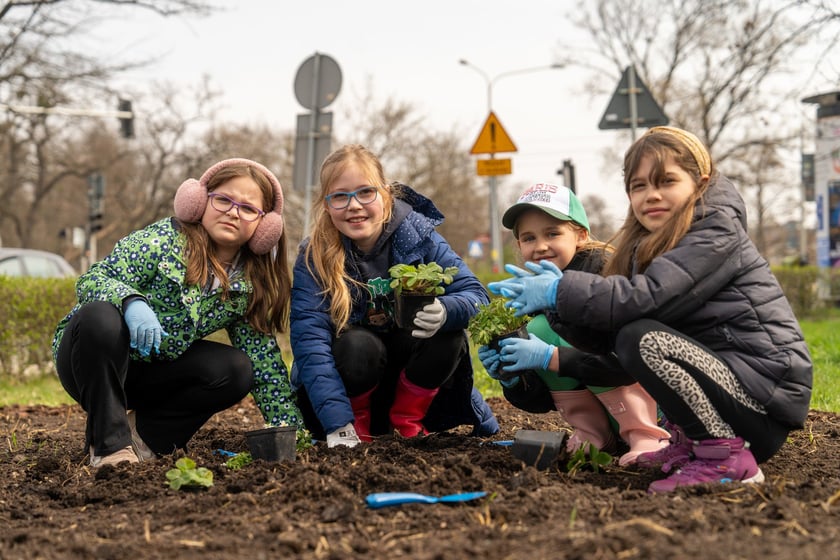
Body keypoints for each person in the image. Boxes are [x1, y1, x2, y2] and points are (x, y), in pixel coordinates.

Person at [489, 127, 812, 492]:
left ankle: (724, 457)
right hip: (735, 397)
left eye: (666, 181)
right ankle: (691, 444)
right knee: (632, 337)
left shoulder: (714, 228)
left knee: (642, 338)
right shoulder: (647, 244)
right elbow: (610, 346)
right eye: (638, 185)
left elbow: (646, 297)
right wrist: (534, 348)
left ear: (700, 182)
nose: (651, 194)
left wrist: (558, 293)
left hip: (764, 399)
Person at [53, 158, 302, 467]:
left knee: (238, 369)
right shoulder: (161, 242)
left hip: (153, 376)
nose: (233, 212)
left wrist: (292, 431)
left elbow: (263, 361)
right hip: (91, 361)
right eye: (223, 200)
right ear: (199, 201)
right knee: (99, 317)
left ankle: (142, 439)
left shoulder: (248, 284)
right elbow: (92, 281)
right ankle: (109, 446)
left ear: (265, 226)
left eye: (248, 208)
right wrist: (131, 301)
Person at [290, 144, 499, 448]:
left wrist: (446, 309)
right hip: (348, 389)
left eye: (365, 192)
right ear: (326, 205)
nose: (354, 205)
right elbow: (309, 341)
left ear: (386, 194)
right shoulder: (314, 256)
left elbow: (476, 294)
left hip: (407, 384)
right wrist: (338, 422)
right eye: (340, 196)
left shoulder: (418, 234)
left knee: (449, 335)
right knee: (358, 344)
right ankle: (357, 428)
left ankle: (407, 420)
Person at [477, 182, 669, 466]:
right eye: (528, 238)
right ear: (519, 245)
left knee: (562, 327)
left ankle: (647, 436)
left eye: (552, 233)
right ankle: (594, 436)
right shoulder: (534, 293)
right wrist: (514, 378)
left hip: (660, 411)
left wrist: (549, 356)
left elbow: (627, 362)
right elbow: (542, 402)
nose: (540, 246)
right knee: (540, 329)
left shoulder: (606, 277)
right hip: (612, 418)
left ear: (580, 235)